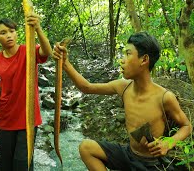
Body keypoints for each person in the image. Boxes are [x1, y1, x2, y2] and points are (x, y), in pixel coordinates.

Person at [53, 32, 192, 170]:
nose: (122, 60)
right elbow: (86, 87)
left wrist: (168, 143)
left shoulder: (164, 97)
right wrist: (65, 63)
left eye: (128, 54)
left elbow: (186, 126)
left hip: (151, 164)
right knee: (86, 148)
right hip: (129, 155)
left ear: (144, 60)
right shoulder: (123, 87)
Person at [0, 13, 52, 171]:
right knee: (4, 164)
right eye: (3, 33)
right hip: (6, 117)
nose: (9, 35)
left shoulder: (27, 51)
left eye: (11, 31)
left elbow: (46, 51)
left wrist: (38, 28)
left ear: (16, 33)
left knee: (23, 164)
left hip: (28, 118)